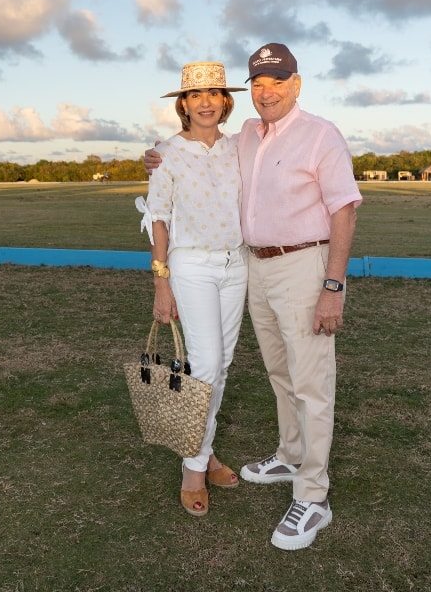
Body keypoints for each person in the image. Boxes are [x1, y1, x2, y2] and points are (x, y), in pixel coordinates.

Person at [144, 43, 362, 549]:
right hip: (250, 266)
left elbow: (345, 210)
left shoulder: (319, 134)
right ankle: (288, 454)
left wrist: (333, 287)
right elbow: (165, 187)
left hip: (302, 265)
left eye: (277, 82)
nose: (267, 92)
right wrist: (154, 154)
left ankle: (313, 495)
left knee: (308, 381)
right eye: (258, 84)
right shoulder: (247, 135)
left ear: (296, 84)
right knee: (276, 372)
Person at [135, 61, 249, 518]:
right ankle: (193, 469)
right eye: (195, 95)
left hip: (235, 264)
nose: (206, 101)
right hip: (191, 265)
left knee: (220, 367)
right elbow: (158, 218)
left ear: (225, 103)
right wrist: (161, 284)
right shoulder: (166, 153)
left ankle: (205, 453)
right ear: (183, 104)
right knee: (205, 364)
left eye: (214, 94)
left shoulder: (241, 147)